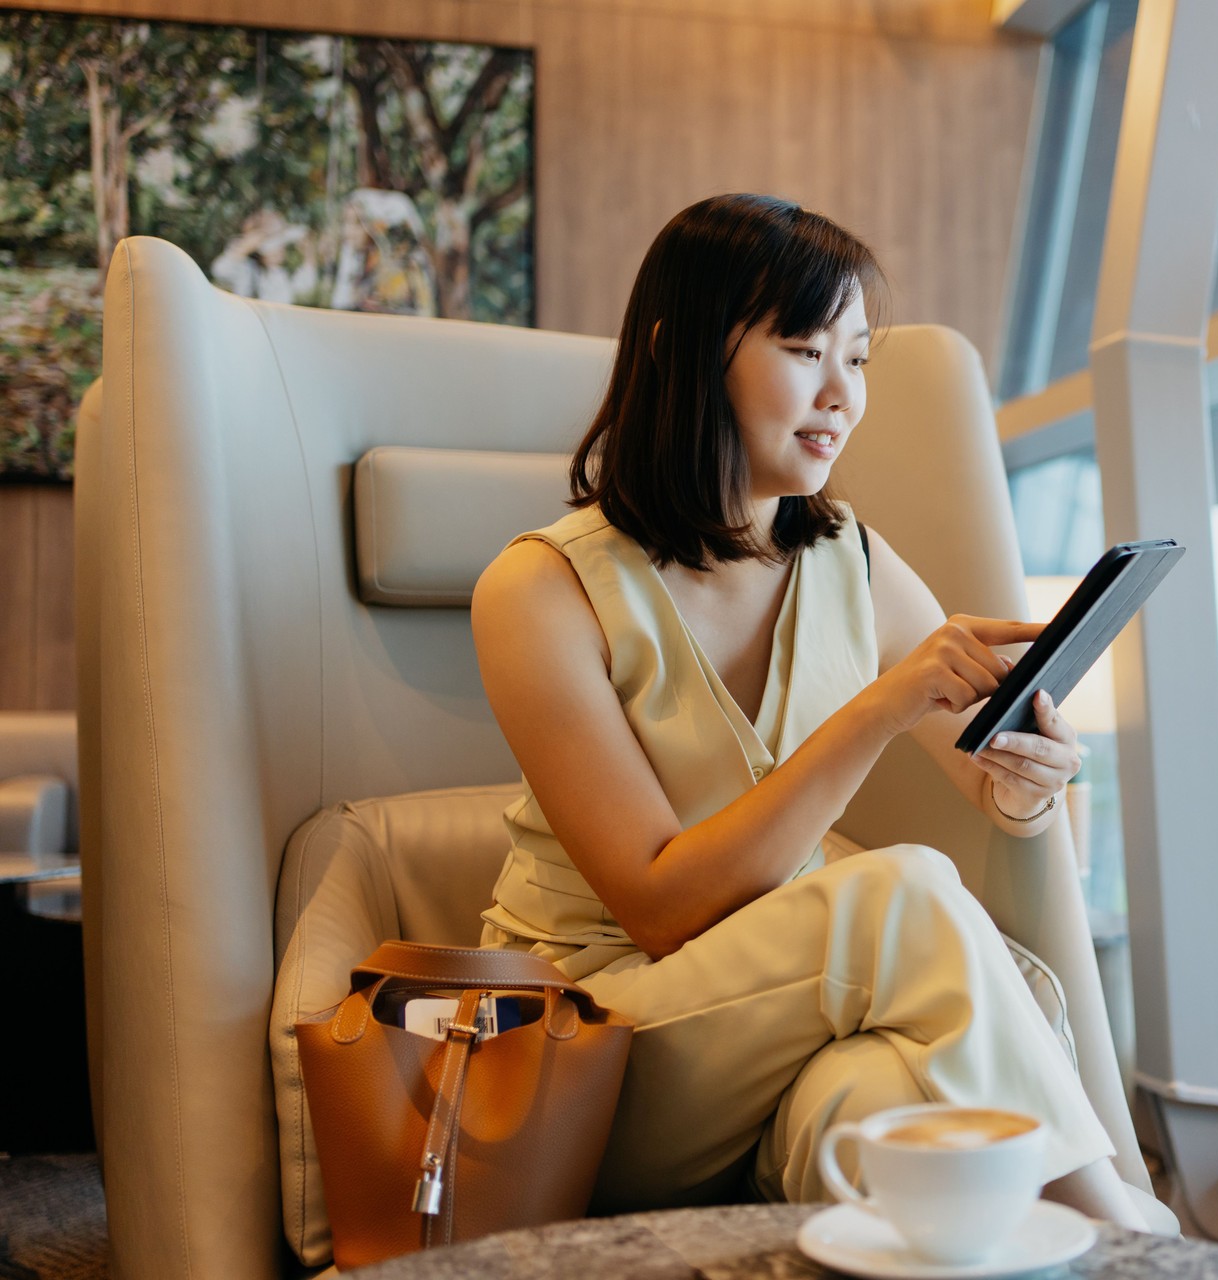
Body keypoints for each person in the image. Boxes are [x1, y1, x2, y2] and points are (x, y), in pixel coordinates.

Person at [471, 193, 1159, 1231]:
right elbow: (660, 909)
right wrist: (882, 704)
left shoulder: (853, 561)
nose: (842, 393)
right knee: (904, 891)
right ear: (683, 351)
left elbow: (984, 774)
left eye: (861, 356)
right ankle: (1128, 1226)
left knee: (883, 1110)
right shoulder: (538, 592)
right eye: (804, 349)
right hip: (593, 1057)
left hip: (783, 1039)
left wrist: (1028, 777)